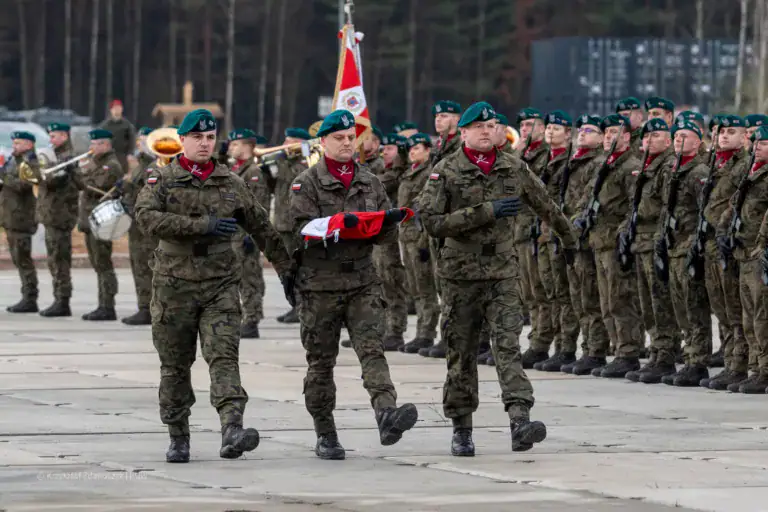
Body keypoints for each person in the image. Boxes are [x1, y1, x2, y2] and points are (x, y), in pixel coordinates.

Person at [135, 109, 295, 463]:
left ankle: (232, 429)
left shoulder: (230, 181)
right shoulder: (161, 178)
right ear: (183, 139)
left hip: (220, 284)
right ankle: (178, 436)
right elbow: (146, 218)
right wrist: (202, 225)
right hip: (173, 285)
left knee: (224, 357)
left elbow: (261, 227)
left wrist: (286, 270)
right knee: (175, 365)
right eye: (197, 137)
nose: (205, 143)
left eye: (210, 137)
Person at [420, 101, 577, 456]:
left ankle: (520, 420)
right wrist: (484, 212)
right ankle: (462, 428)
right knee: (461, 353)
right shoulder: (446, 171)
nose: (487, 131)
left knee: (507, 346)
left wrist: (569, 240)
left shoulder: (513, 166)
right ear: (464, 133)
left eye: (491, 126)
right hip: (460, 277)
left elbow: (545, 204)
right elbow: (430, 222)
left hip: (502, 274)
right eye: (479, 127)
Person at [289, 109, 418, 461]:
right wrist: (335, 223)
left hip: (362, 280)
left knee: (372, 350)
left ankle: (386, 413)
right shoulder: (306, 183)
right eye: (340, 138)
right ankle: (325, 432)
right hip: (320, 286)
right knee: (321, 363)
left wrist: (386, 223)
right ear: (323, 142)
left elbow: (385, 232)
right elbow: (301, 230)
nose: (347, 143)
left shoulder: (370, 181)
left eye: (351, 138)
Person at [573, 114, 644, 378]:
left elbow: (634, 207)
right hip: (598, 241)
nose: (608, 137)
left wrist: (620, 234)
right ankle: (614, 350)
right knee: (605, 301)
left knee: (620, 299)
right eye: (606, 133)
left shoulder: (630, 167)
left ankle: (628, 353)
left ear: (626, 137)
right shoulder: (605, 165)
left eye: (614, 132)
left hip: (614, 242)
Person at [621, 119, 681, 383]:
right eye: (646, 137)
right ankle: (656, 352)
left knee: (661, 302)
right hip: (641, 242)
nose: (648, 141)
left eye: (655, 136)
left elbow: (663, 206)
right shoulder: (648, 165)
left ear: (668, 141)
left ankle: (666, 355)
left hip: (657, 240)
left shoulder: (667, 166)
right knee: (647, 303)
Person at [656, 120, 712, 387]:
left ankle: (697, 361)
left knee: (694, 306)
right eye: (676, 135)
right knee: (680, 306)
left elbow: (705, 211)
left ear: (698, 142)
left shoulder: (699, 171)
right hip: (672, 245)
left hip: (688, 245)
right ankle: (688, 357)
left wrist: (695, 244)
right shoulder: (672, 168)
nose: (679, 140)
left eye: (686, 136)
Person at [698, 115, 750, 389]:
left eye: (732, 131)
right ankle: (730, 361)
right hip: (710, 243)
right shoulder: (715, 165)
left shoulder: (744, 166)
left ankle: (740, 364)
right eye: (721, 132)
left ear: (744, 138)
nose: (724, 136)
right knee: (722, 306)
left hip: (731, 243)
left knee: (735, 308)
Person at [560, 115, 610, 375]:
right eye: (581, 130)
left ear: (602, 138)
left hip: (586, 239)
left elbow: (587, 200)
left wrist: (570, 227)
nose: (583, 133)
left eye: (590, 130)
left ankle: (596, 351)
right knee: (578, 297)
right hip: (573, 239)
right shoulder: (576, 161)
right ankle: (587, 347)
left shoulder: (598, 163)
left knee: (590, 298)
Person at [720, 126, 768, 393]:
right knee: (749, 316)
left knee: (762, 316)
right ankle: (756, 367)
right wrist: (724, 232)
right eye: (757, 141)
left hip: (759, 254)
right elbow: (733, 205)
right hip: (743, 252)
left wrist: (762, 245)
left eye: (765, 142)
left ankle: (765, 370)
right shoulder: (753, 173)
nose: (758, 145)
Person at [535, 110, 580, 372]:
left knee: (564, 294)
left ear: (567, 133)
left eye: (557, 128)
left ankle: (566, 347)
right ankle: (549, 344)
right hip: (543, 233)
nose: (551, 131)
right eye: (549, 127)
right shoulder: (544, 160)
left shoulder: (569, 162)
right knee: (548, 293)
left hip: (560, 235)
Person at [514, 108, 556, 368]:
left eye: (532, 124)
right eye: (523, 125)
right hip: (520, 231)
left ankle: (542, 343)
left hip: (537, 231)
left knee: (544, 291)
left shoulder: (545, 156)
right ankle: (536, 341)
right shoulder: (521, 154)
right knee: (528, 292)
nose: (526, 129)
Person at [364, 126, 409, 350]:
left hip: (392, 236)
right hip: (379, 234)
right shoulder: (388, 170)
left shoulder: (397, 172)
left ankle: (396, 331)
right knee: (379, 283)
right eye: (385, 148)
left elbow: (378, 184)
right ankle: (382, 329)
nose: (385, 152)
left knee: (392, 283)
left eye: (390, 149)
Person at [225, 128, 270, 339]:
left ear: (248, 147)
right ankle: (243, 317)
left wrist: (252, 235)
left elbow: (257, 206)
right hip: (233, 233)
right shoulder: (235, 169)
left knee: (249, 277)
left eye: (236, 144)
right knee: (237, 278)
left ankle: (252, 320)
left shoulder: (253, 172)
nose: (231, 147)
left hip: (245, 234)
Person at [75, 129, 123, 321]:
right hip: (91, 219)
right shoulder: (97, 162)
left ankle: (107, 305)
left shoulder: (111, 165)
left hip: (103, 221)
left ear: (105, 145)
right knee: (97, 263)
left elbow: (95, 186)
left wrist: (82, 171)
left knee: (104, 264)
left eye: (95, 144)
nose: (91, 148)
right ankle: (102, 303)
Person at [398, 133, 440, 354]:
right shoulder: (409, 173)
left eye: (416, 148)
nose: (412, 152)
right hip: (407, 236)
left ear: (428, 150)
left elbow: (426, 210)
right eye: (410, 149)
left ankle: (427, 333)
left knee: (426, 289)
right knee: (415, 288)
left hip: (420, 236)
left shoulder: (428, 174)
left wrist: (424, 242)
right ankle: (420, 332)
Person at [37, 123, 80, 317]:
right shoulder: (54, 154)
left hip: (61, 215)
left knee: (60, 259)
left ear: (64, 136)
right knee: (54, 259)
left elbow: (53, 181)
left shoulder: (68, 156)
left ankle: (62, 301)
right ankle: (58, 298)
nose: (51, 140)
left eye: (54, 136)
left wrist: (57, 171)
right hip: (51, 214)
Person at [273, 127, 311, 324]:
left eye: (290, 142)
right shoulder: (284, 162)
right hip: (281, 222)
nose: (285, 145)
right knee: (287, 268)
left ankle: (302, 306)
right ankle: (295, 304)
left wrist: (282, 161)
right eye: (285, 141)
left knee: (298, 267)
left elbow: (294, 179)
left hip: (294, 224)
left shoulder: (304, 163)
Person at [120, 126, 157, 325]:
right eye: (139, 139)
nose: (139, 143)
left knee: (148, 266)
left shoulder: (154, 165)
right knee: (138, 265)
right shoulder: (141, 165)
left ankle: (149, 308)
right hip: (136, 223)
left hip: (147, 225)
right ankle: (144, 306)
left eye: (144, 139)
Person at [1, 131, 39, 313]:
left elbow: (25, 184)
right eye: (14, 143)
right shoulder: (13, 161)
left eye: (18, 143)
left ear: (29, 145)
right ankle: (26, 295)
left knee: (23, 259)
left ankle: (30, 298)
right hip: (10, 216)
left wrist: (5, 179)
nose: (14, 146)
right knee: (18, 259)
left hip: (22, 217)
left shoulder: (31, 162)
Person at [98, 99, 137, 172]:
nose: (117, 110)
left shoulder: (127, 125)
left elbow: (132, 140)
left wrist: (130, 153)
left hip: (122, 157)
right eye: (115, 108)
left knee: (122, 178)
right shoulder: (105, 126)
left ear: (122, 109)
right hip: (108, 157)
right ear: (111, 110)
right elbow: (99, 140)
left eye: (119, 108)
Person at [431, 100, 462, 166]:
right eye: (436, 116)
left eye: (443, 116)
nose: (438, 119)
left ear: (457, 118)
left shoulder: (463, 144)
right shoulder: (437, 144)